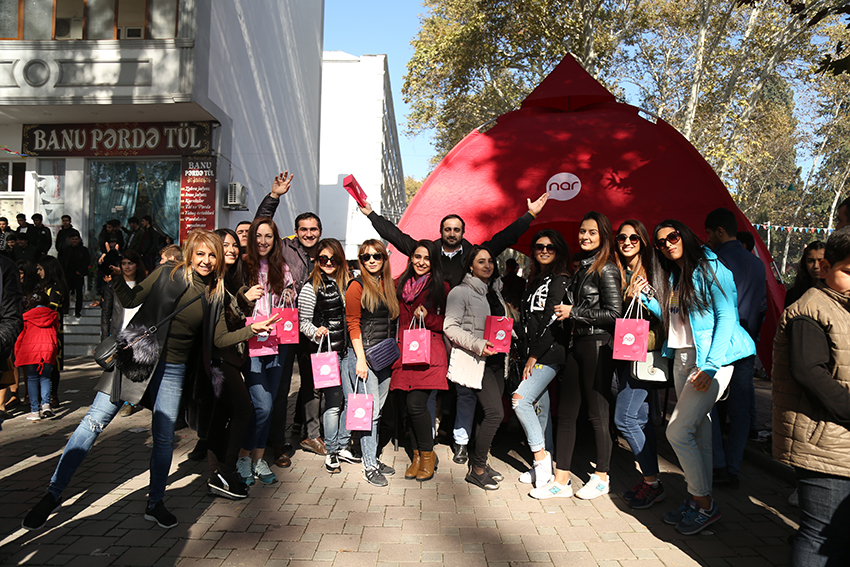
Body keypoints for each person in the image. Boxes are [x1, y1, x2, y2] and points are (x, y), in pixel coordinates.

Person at [21, 229, 279, 531]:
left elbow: (220, 337)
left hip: (174, 370)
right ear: (190, 253)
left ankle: (155, 502)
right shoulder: (168, 273)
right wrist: (116, 276)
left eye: (213, 255)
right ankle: (53, 494)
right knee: (92, 423)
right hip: (137, 358)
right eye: (201, 254)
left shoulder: (216, 291)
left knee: (164, 439)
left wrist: (253, 328)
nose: (207, 261)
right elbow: (131, 297)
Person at [360, 193, 549, 463]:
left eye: (456, 230)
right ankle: (428, 436)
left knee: (463, 388)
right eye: (447, 229)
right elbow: (397, 237)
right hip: (434, 333)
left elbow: (502, 239)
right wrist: (370, 214)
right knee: (429, 388)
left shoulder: (471, 254)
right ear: (440, 232)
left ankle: (460, 440)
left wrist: (529, 216)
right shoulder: (430, 252)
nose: (452, 233)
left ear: (463, 233)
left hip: (462, 330)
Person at [637, 220, 755, 535]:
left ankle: (705, 505)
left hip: (710, 359)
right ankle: (695, 501)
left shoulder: (711, 267)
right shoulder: (675, 275)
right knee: (699, 433)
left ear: (685, 235)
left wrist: (711, 366)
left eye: (672, 237)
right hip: (682, 356)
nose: (667, 244)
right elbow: (676, 319)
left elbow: (726, 316)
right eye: (660, 243)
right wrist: (649, 299)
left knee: (677, 431)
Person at [772, 226, 850, 565]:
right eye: (848, 270)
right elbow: (809, 373)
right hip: (824, 444)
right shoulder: (811, 308)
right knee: (820, 534)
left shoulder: (843, 304)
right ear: (825, 267)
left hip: (839, 439)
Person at [532, 212, 623, 501]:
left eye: (592, 232)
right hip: (577, 343)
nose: (585, 236)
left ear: (603, 236)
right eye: (583, 231)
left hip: (597, 344)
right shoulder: (582, 268)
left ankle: (602, 476)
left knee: (597, 414)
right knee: (567, 414)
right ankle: (561, 480)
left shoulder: (606, 269)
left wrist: (576, 313)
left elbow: (615, 314)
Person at [254, 171, 328, 463]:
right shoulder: (284, 248)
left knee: (313, 383)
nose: (308, 233)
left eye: (313, 229)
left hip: (313, 329)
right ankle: (278, 443)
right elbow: (262, 226)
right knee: (281, 386)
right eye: (303, 229)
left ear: (320, 231)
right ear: (296, 231)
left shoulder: (327, 252)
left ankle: (311, 434)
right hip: (284, 328)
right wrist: (274, 197)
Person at [704, 208, 766, 489]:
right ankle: (733, 467)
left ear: (719, 231)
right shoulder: (757, 264)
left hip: (719, 345)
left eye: (708, 233)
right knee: (741, 412)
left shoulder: (716, 261)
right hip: (746, 344)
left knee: (712, 409)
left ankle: (717, 465)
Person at [443, 245, 509, 490]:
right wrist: (477, 344)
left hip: (496, 361)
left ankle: (481, 461)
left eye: (490, 261)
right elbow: (449, 327)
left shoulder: (493, 291)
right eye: (481, 261)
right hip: (476, 360)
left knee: (485, 415)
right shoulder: (461, 292)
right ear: (470, 265)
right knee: (495, 414)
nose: (487, 265)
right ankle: (477, 470)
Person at [236, 217, 295, 486]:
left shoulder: (281, 268)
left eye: (268, 236)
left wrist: (289, 297)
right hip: (250, 342)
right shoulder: (241, 266)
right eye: (258, 236)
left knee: (268, 407)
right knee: (262, 405)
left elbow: (288, 303)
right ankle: (243, 456)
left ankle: (258, 459)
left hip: (277, 343)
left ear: (276, 240)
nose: (262, 241)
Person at [612, 220, 666, 509]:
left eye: (634, 237)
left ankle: (652, 481)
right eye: (622, 237)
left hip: (642, 357)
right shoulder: (619, 272)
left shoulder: (654, 274)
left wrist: (643, 341)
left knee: (626, 419)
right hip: (622, 357)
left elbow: (665, 320)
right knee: (641, 421)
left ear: (643, 242)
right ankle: (650, 481)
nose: (627, 242)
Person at [513, 230, 570, 489]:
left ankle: (541, 461)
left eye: (550, 247)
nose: (544, 250)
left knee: (520, 400)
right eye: (539, 247)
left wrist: (533, 355)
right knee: (541, 409)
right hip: (531, 352)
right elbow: (530, 319)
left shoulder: (560, 279)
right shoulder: (534, 279)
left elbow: (550, 320)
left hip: (549, 353)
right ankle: (543, 469)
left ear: (558, 250)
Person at [390, 240, 450, 482]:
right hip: (404, 353)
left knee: (417, 405)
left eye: (426, 258)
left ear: (433, 261)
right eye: (417, 257)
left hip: (429, 354)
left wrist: (430, 318)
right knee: (407, 408)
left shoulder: (441, 287)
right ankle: (416, 455)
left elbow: (450, 322)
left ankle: (428, 455)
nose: (421, 262)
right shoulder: (399, 285)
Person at [203, 228, 255, 499]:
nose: (232, 249)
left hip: (231, 357)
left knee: (221, 415)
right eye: (225, 245)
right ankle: (226, 470)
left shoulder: (232, 279)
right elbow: (222, 331)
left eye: (235, 245)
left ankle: (217, 475)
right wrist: (252, 322)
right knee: (244, 411)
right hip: (219, 358)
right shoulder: (214, 282)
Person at [298, 238, 358, 473]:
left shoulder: (350, 283)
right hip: (328, 353)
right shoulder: (311, 286)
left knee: (349, 398)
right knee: (333, 403)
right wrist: (315, 331)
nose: (329, 263)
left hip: (349, 350)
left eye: (334, 258)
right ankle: (332, 451)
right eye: (323, 258)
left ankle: (343, 444)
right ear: (317, 260)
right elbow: (303, 321)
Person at [344, 239, 399, 487]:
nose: (372, 260)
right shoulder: (356, 286)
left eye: (377, 255)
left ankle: (370, 454)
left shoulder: (388, 285)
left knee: (377, 411)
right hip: (364, 357)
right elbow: (353, 324)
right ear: (361, 261)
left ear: (385, 259)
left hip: (384, 357)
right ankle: (370, 465)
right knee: (370, 415)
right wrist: (360, 360)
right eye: (366, 257)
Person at [100, 250, 147, 418]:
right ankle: (116, 398)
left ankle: (131, 402)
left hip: (139, 332)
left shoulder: (144, 283)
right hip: (119, 331)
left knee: (135, 366)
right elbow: (106, 313)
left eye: (130, 263)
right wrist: (105, 337)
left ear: (137, 265)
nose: (127, 267)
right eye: (124, 263)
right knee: (119, 367)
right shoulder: (112, 285)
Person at [17, 288, 59, 421]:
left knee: (32, 378)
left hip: (30, 350)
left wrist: (17, 352)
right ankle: (46, 404)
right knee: (46, 377)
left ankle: (35, 410)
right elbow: (56, 331)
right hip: (47, 348)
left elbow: (21, 336)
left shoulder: (25, 316)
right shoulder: (53, 315)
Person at [37, 256, 68, 409]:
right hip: (41, 331)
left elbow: (51, 310)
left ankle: (53, 395)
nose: (38, 272)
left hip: (53, 331)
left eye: (41, 269)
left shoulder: (56, 288)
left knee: (53, 364)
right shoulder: (42, 287)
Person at [58, 231, 90, 318]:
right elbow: (62, 262)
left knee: (79, 294)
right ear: (70, 240)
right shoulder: (66, 250)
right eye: (73, 239)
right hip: (68, 275)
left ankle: (78, 311)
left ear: (79, 240)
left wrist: (81, 271)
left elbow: (87, 261)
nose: (75, 241)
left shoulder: (83, 250)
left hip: (78, 275)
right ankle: (65, 310)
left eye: (76, 239)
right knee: (65, 293)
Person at [785, 241, 826, 307]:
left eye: (820, 261)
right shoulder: (793, 294)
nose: (816, 266)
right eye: (811, 261)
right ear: (805, 263)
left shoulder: (836, 293)